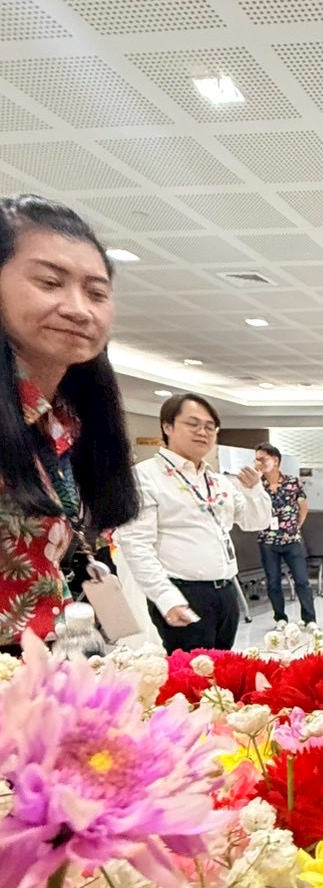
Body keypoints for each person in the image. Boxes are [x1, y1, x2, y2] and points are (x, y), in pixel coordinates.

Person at [0, 194, 139, 651]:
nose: (79, 309)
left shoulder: (64, 423)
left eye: (96, 293)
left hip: (43, 667)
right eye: (49, 282)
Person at [116, 393, 272, 653]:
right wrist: (165, 597)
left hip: (225, 590)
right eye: (193, 424)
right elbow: (136, 544)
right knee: (190, 673)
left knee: (223, 670)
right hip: (182, 593)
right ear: (167, 426)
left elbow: (255, 522)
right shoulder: (145, 477)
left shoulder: (217, 480)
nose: (203, 432)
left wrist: (255, 490)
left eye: (210, 427)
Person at [254, 442, 315, 626]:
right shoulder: (256, 485)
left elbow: (303, 508)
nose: (258, 463)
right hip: (267, 540)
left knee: (302, 581)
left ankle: (309, 619)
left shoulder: (292, 482)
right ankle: (280, 617)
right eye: (256, 460)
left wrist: (295, 527)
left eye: (262, 459)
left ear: (275, 461)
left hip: (291, 539)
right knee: (273, 582)